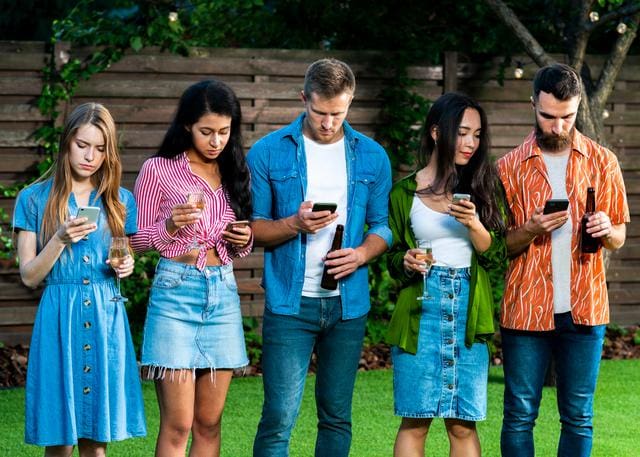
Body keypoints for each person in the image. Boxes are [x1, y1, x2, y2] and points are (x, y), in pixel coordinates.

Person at [248, 58, 392, 457]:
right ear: (303, 99)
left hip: (347, 307)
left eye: (338, 113)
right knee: (278, 418)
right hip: (289, 304)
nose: (329, 122)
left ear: (350, 104)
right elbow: (254, 228)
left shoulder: (372, 157)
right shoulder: (267, 152)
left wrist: (362, 253)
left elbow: (383, 226)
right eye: (320, 112)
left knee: (336, 416)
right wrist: (295, 223)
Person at [497, 63, 629, 457]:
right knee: (519, 414)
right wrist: (532, 227)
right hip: (524, 310)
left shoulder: (603, 162)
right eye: (548, 116)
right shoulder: (506, 169)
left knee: (578, 416)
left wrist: (607, 230)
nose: (557, 126)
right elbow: (497, 246)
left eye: (567, 117)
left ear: (577, 108)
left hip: (585, 309)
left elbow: (620, 238)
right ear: (532, 104)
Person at [14, 103, 145, 456]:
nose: (91, 156)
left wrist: (125, 266)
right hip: (60, 318)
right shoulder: (32, 199)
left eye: (100, 148)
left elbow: (124, 253)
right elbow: (29, 275)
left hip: (106, 317)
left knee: (96, 441)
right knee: (59, 441)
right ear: (66, 143)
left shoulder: (120, 201)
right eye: (82, 145)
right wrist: (59, 238)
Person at [130, 79, 253, 456]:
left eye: (223, 132)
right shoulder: (158, 169)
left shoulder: (233, 169)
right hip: (175, 292)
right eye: (206, 132)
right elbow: (134, 240)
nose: (216, 141)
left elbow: (244, 240)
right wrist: (169, 225)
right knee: (178, 423)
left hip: (223, 294)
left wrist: (241, 238)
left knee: (209, 422)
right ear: (186, 125)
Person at [386, 92, 506, 457]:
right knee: (415, 419)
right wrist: (405, 260)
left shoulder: (484, 187)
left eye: (477, 134)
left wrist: (475, 225)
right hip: (420, 311)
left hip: (468, 310)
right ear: (437, 132)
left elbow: (498, 257)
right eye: (463, 133)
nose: (471, 143)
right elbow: (391, 260)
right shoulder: (404, 192)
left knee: (461, 423)